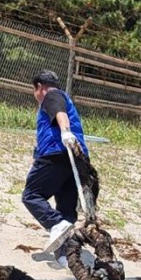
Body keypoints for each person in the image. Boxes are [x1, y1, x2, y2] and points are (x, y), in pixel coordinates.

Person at [22, 70, 99, 268]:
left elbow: (60, 113)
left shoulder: (52, 95)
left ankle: (56, 223)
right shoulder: (67, 99)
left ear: (39, 86)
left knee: (31, 195)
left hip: (57, 153)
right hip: (76, 158)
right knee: (66, 205)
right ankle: (66, 256)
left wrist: (65, 132)